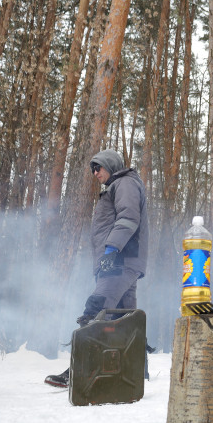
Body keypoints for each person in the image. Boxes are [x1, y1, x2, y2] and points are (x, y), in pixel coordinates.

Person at [45, 149, 149, 388]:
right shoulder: (119, 186)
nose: (95, 172)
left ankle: (80, 369)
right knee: (125, 317)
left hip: (119, 261)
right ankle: (136, 371)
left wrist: (111, 249)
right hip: (124, 260)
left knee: (97, 308)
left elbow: (128, 218)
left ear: (110, 166)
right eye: (92, 168)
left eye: (98, 167)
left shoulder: (124, 183)